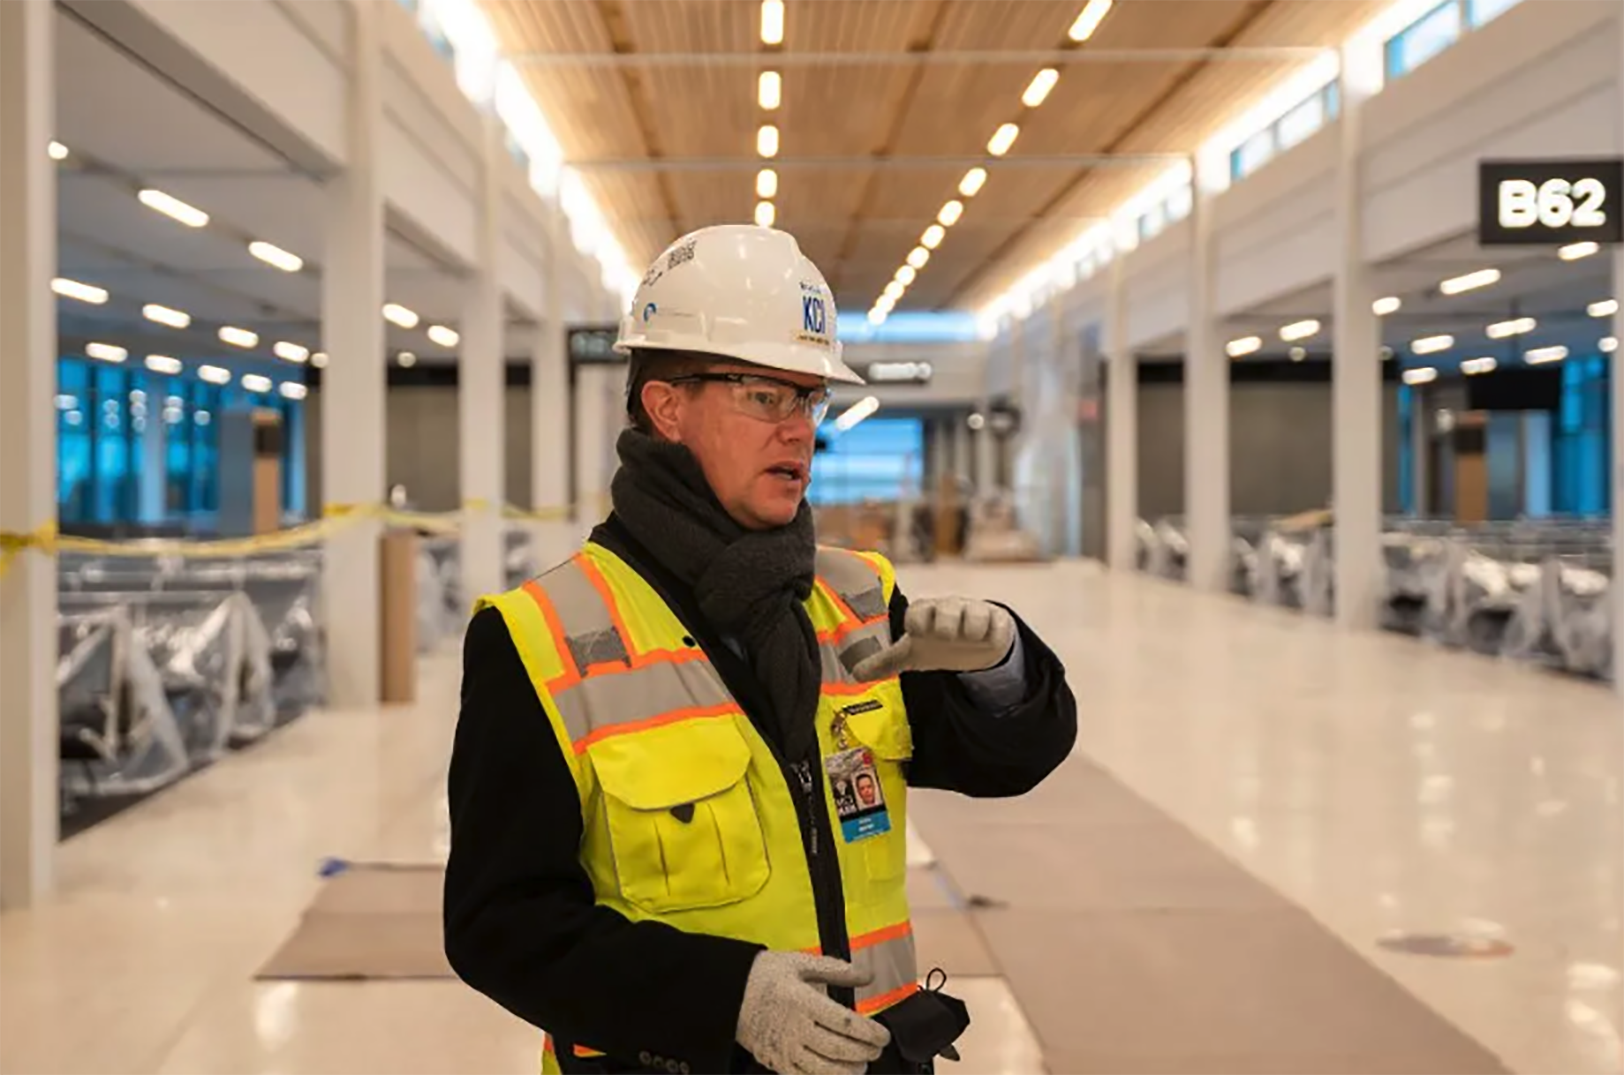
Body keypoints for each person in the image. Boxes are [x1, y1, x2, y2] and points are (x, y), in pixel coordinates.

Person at [443, 224, 1077, 1075]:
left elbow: (1006, 762)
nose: (800, 431)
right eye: (765, 397)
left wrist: (1002, 671)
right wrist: (722, 996)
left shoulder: (855, 599)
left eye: (807, 399)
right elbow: (500, 925)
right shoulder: (538, 636)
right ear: (667, 406)